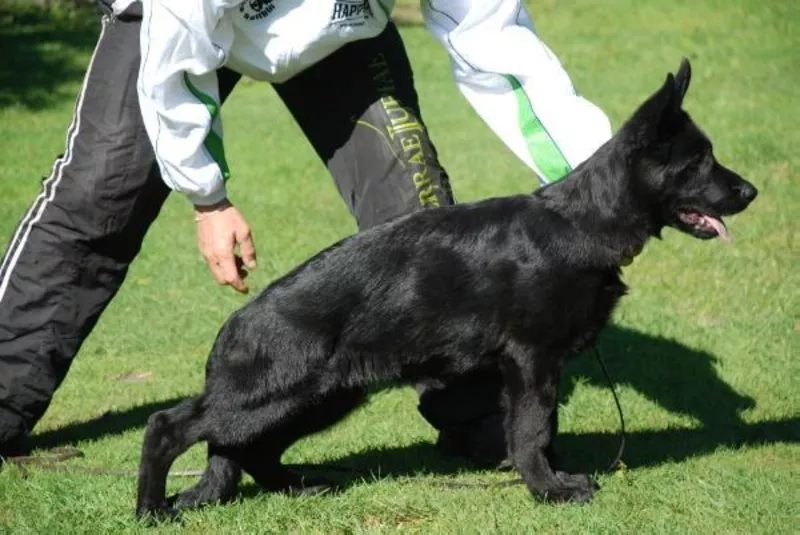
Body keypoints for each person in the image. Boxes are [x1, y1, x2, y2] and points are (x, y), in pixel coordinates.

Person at [0, 0, 612, 465]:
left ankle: (483, 416)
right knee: (96, 200)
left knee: (414, 207)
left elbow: (489, 33)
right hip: (170, 20)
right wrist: (207, 197)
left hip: (339, 29)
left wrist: (596, 182)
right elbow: (178, 51)